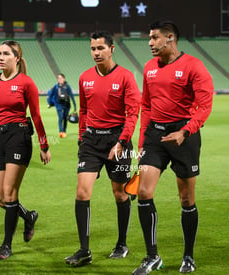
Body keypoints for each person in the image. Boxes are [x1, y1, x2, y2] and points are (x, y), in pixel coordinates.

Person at [132, 21, 213, 275]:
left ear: (170, 39)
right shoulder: (148, 68)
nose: (150, 43)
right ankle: (152, 256)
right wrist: (143, 137)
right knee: (144, 192)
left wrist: (186, 131)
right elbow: (146, 104)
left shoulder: (193, 66)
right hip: (156, 133)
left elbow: (205, 105)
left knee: (186, 198)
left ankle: (188, 256)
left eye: (155, 38)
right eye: (149, 38)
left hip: (184, 134)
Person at [0, 40, 51, 260]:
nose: (1, 57)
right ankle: (28, 216)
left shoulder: (26, 83)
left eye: (6, 53)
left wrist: (44, 145)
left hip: (19, 136)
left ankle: (6, 245)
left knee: (9, 193)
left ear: (17, 57)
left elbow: (36, 116)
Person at [64, 31, 141, 267]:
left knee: (120, 194)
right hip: (91, 142)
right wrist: (81, 138)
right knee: (82, 192)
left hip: (117, 140)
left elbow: (132, 114)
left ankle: (122, 244)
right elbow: (84, 111)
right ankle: (84, 250)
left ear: (112, 49)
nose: (96, 53)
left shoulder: (126, 77)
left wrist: (122, 142)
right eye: (93, 49)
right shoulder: (84, 77)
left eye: (100, 48)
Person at [47, 73, 77, 138]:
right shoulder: (56, 86)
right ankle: (61, 132)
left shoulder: (67, 86)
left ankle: (64, 131)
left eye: (61, 78)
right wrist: (49, 103)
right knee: (60, 117)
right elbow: (51, 95)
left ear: (64, 79)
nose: (59, 79)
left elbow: (71, 96)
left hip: (66, 104)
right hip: (58, 104)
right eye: (58, 78)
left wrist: (75, 106)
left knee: (65, 118)